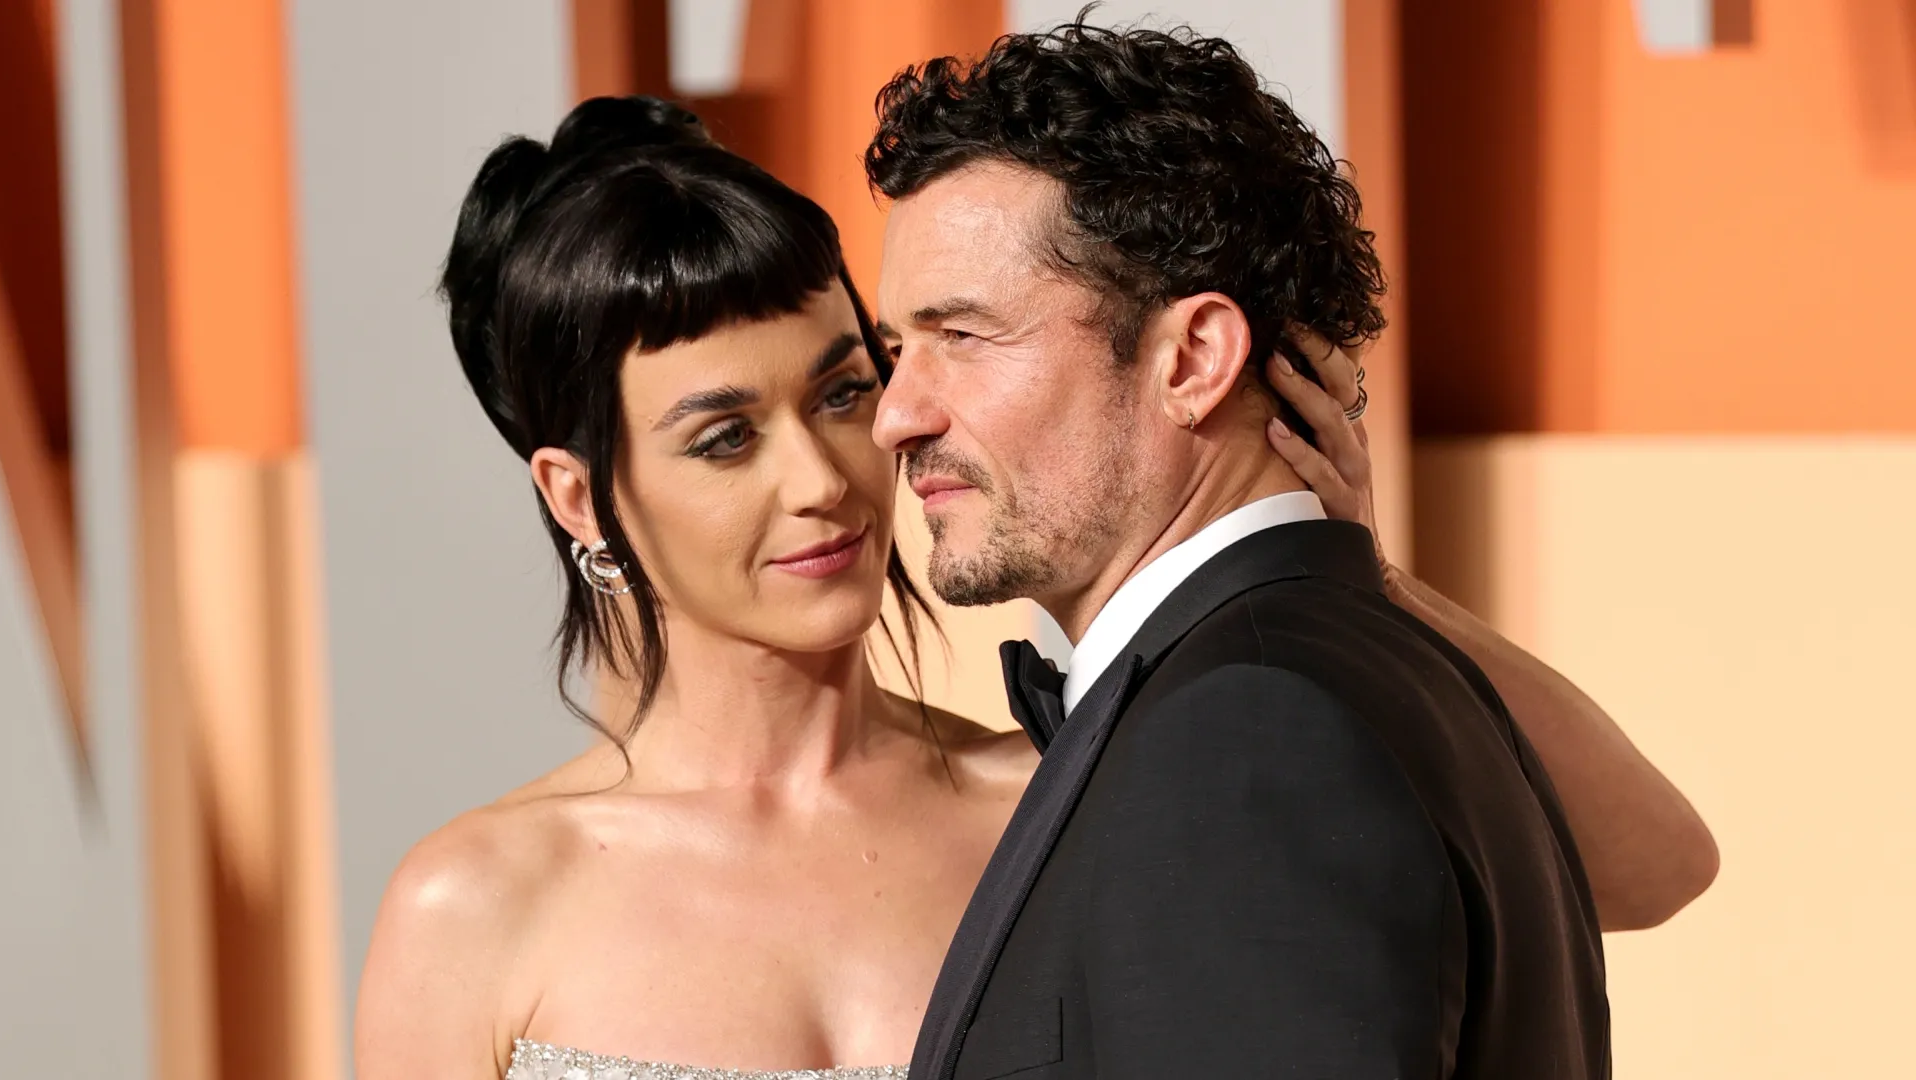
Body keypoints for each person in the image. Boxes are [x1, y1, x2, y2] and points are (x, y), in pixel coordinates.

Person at [354, 92, 1710, 1078]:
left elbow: (1650, 864)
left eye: (844, 389)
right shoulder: (475, 907)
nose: (830, 475)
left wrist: (1337, 560)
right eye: (724, 438)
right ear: (579, 495)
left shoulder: (1080, 790)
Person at [866, 21, 1661, 1080]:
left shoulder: (1248, 738)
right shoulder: (1362, 683)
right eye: (894, 352)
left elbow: (1667, 864)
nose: (896, 416)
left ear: (1192, 358)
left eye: (961, 336)